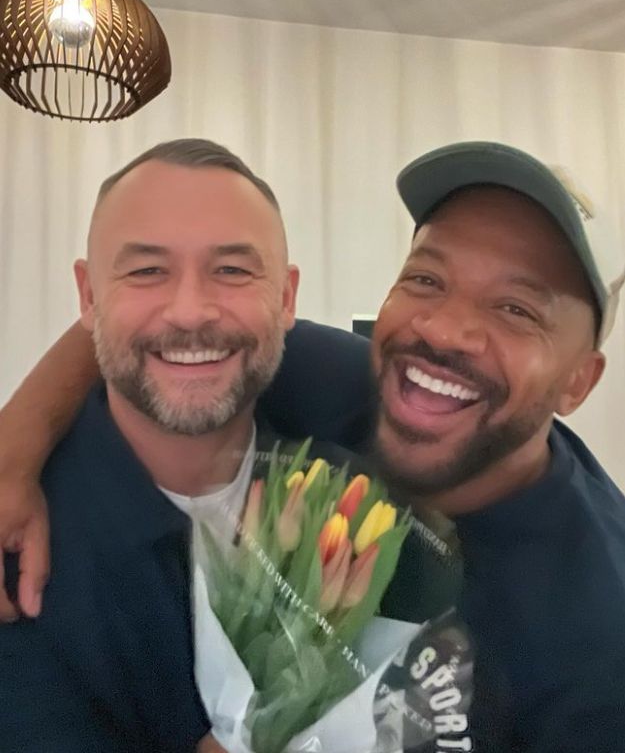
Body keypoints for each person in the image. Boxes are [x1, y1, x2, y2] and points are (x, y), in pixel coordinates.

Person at [2, 140, 625, 750]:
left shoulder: (598, 634)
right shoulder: (349, 383)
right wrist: (12, 448)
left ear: (579, 380)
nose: (444, 330)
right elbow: (151, 327)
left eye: (517, 309)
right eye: (427, 278)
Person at [0, 138, 304, 752]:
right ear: (87, 297)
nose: (190, 311)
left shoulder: (361, 487)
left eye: (233, 270)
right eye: (146, 271)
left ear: (288, 297)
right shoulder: (13, 559)